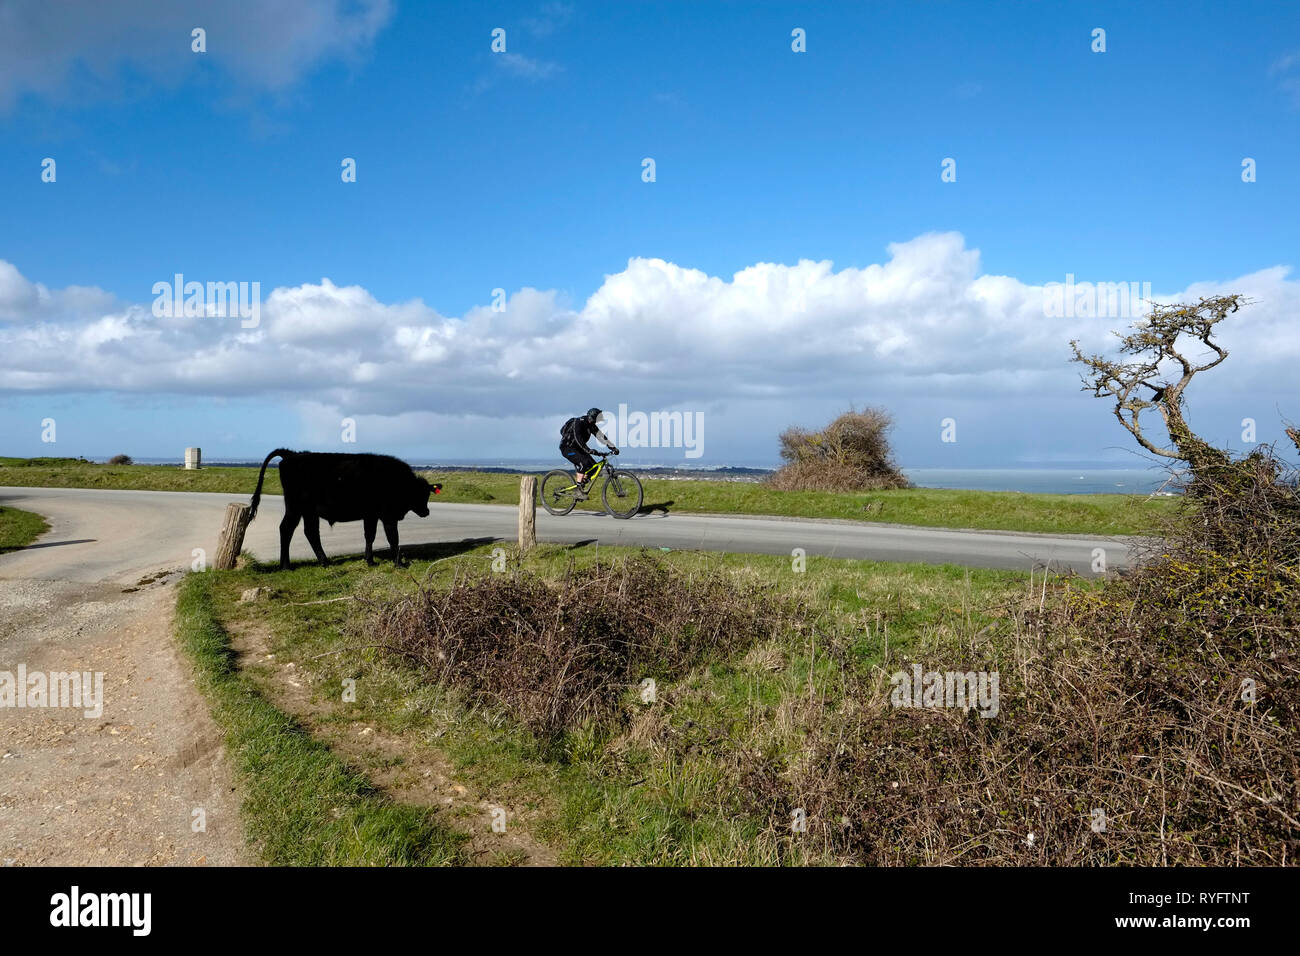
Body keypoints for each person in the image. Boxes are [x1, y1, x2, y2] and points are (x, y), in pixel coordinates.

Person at [559, 407, 619, 498]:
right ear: (593, 417)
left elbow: (601, 437)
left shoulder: (592, 425)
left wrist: (613, 447)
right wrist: (588, 450)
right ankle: (578, 491)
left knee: (594, 468)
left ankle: (581, 484)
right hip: (567, 448)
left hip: (579, 449)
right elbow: (577, 438)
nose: (599, 420)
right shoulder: (579, 422)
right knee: (583, 463)